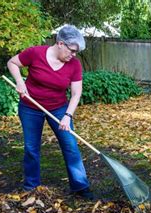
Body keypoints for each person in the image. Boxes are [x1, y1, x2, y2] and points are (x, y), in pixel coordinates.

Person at [7, 25, 95, 200]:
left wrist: (67, 115)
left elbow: (76, 93)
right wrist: (19, 81)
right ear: (60, 43)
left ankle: (80, 186)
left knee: (70, 146)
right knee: (31, 148)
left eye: (76, 52)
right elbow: (12, 62)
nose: (74, 55)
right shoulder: (35, 53)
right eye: (72, 50)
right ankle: (31, 187)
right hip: (30, 108)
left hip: (59, 108)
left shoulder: (74, 65)